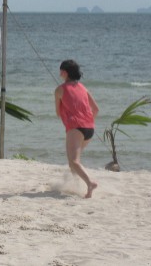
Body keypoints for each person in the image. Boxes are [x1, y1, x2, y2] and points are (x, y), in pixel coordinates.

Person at [54, 59, 99, 198]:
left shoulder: (59, 89)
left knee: (74, 161)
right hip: (90, 128)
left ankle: (89, 183)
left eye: (60, 70)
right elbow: (96, 110)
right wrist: (87, 122)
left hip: (76, 128)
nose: (59, 72)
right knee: (73, 161)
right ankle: (76, 185)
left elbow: (57, 112)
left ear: (65, 72)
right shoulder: (83, 87)